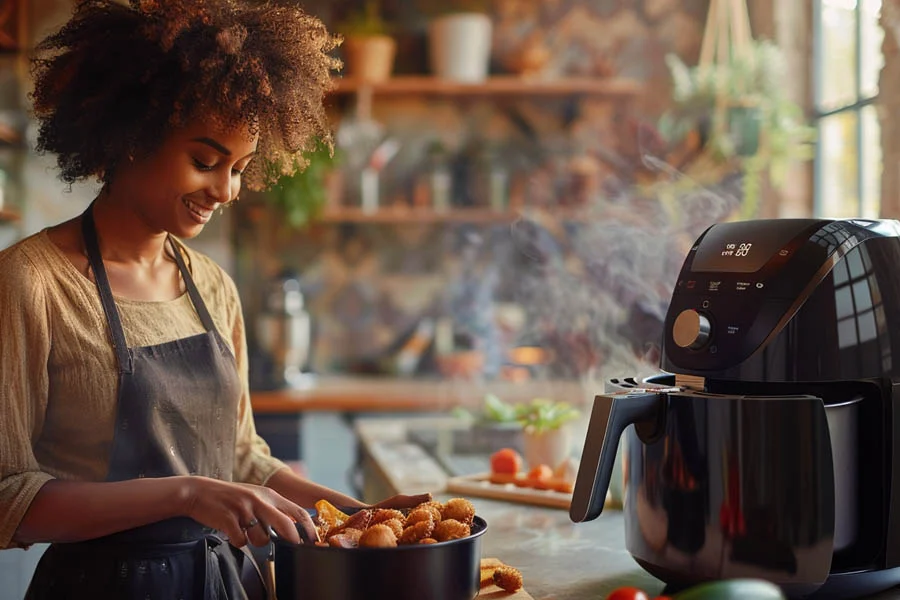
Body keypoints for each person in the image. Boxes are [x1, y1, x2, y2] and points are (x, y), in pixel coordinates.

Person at [0, 1, 429, 598]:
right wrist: (188, 493)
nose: (225, 190)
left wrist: (367, 516)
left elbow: (243, 459)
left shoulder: (211, 285)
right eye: (205, 162)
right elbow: (7, 498)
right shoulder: (32, 281)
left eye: (240, 169)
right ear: (132, 135)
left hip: (225, 583)